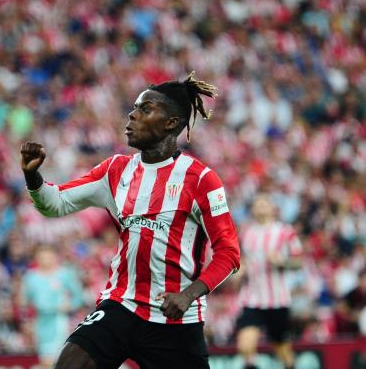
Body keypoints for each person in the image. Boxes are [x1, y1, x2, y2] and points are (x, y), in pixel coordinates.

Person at [20, 72, 241, 369]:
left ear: (171, 123)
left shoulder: (201, 179)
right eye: (135, 107)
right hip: (122, 305)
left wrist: (188, 295)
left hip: (176, 319)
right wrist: (33, 176)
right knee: (70, 364)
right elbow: (55, 204)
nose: (132, 114)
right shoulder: (115, 170)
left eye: (145, 109)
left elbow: (229, 253)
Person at [235, 193, 303, 369]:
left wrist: (283, 262)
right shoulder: (246, 233)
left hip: (277, 299)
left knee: (282, 350)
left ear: (273, 208)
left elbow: (298, 262)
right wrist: (240, 270)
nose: (260, 206)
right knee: (245, 346)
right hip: (252, 298)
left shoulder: (285, 232)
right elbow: (242, 261)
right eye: (257, 204)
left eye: (264, 203)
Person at [22, 244, 85, 368]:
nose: (45, 260)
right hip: (41, 323)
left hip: (60, 321)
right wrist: (27, 322)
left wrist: (69, 306)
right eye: (41, 257)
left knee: (61, 361)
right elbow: (24, 302)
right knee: (46, 362)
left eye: (48, 256)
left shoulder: (65, 273)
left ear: (55, 257)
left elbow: (78, 297)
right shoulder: (31, 277)